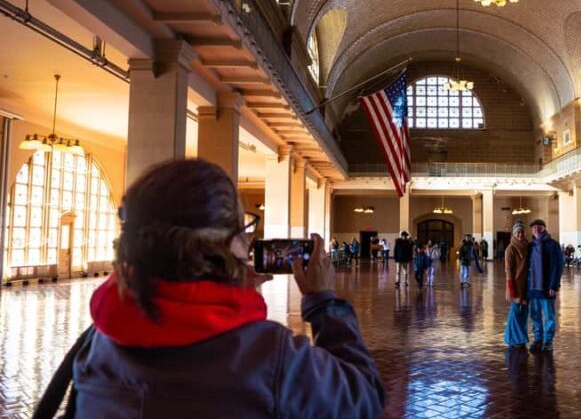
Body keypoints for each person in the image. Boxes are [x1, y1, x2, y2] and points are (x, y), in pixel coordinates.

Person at [36, 160, 385, 418]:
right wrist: (323, 302)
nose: (248, 242)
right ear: (226, 243)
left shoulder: (99, 343)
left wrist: (223, 295)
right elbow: (364, 396)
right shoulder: (272, 357)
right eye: (243, 230)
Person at [526, 219, 564, 354]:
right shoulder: (530, 246)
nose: (536, 229)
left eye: (539, 227)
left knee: (549, 315)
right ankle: (538, 339)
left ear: (544, 228)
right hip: (533, 288)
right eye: (534, 227)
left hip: (547, 287)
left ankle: (548, 341)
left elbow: (557, 266)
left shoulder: (553, 245)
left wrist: (554, 285)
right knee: (535, 315)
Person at [503, 220, 529, 348]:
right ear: (514, 233)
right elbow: (508, 269)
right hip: (516, 284)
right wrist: (511, 286)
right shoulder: (510, 249)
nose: (520, 234)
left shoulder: (528, 246)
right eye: (518, 232)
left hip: (526, 284)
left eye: (522, 232)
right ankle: (513, 339)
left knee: (524, 312)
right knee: (515, 311)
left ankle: (518, 338)